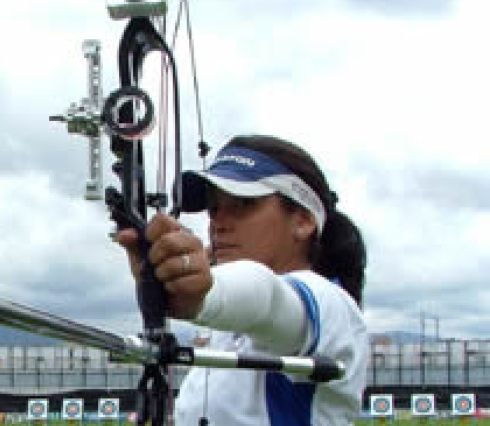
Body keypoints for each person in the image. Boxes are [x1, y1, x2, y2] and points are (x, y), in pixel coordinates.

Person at [116, 134, 368, 425]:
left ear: (303, 221)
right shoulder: (228, 333)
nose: (219, 223)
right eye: (214, 208)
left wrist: (205, 294)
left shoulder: (328, 302)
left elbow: (268, 297)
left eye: (244, 203)